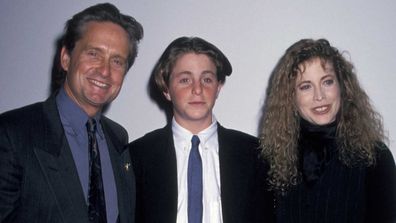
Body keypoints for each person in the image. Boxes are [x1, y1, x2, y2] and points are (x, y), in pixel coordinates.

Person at [0, 3, 143, 223]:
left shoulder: (118, 139)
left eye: (117, 61)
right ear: (66, 58)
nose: (104, 71)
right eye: (94, 53)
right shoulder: (12, 133)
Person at [129, 36, 274, 223]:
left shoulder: (254, 155)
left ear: (218, 87)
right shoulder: (138, 156)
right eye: (185, 80)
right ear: (166, 88)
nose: (197, 89)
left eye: (206, 79)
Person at [259, 38, 396, 223]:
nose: (319, 96)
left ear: (342, 86)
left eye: (327, 82)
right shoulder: (271, 161)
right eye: (305, 86)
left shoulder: (376, 157)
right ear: (290, 97)